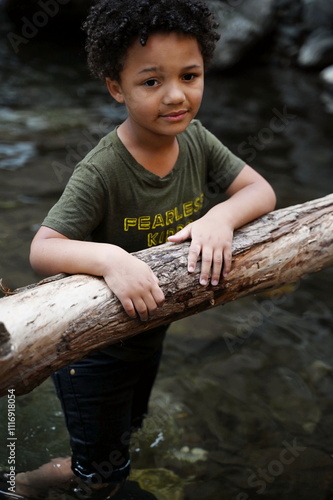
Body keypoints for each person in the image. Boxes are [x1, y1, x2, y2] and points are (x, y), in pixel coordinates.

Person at [12, 0, 276, 498]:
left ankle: (71, 468)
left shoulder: (196, 139)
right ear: (117, 88)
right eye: (151, 81)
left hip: (146, 335)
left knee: (120, 437)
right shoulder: (103, 170)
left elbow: (260, 191)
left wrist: (218, 217)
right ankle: (32, 482)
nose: (177, 96)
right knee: (105, 477)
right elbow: (44, 249)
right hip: (88, 350)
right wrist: (111, 259)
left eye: (190, 75)